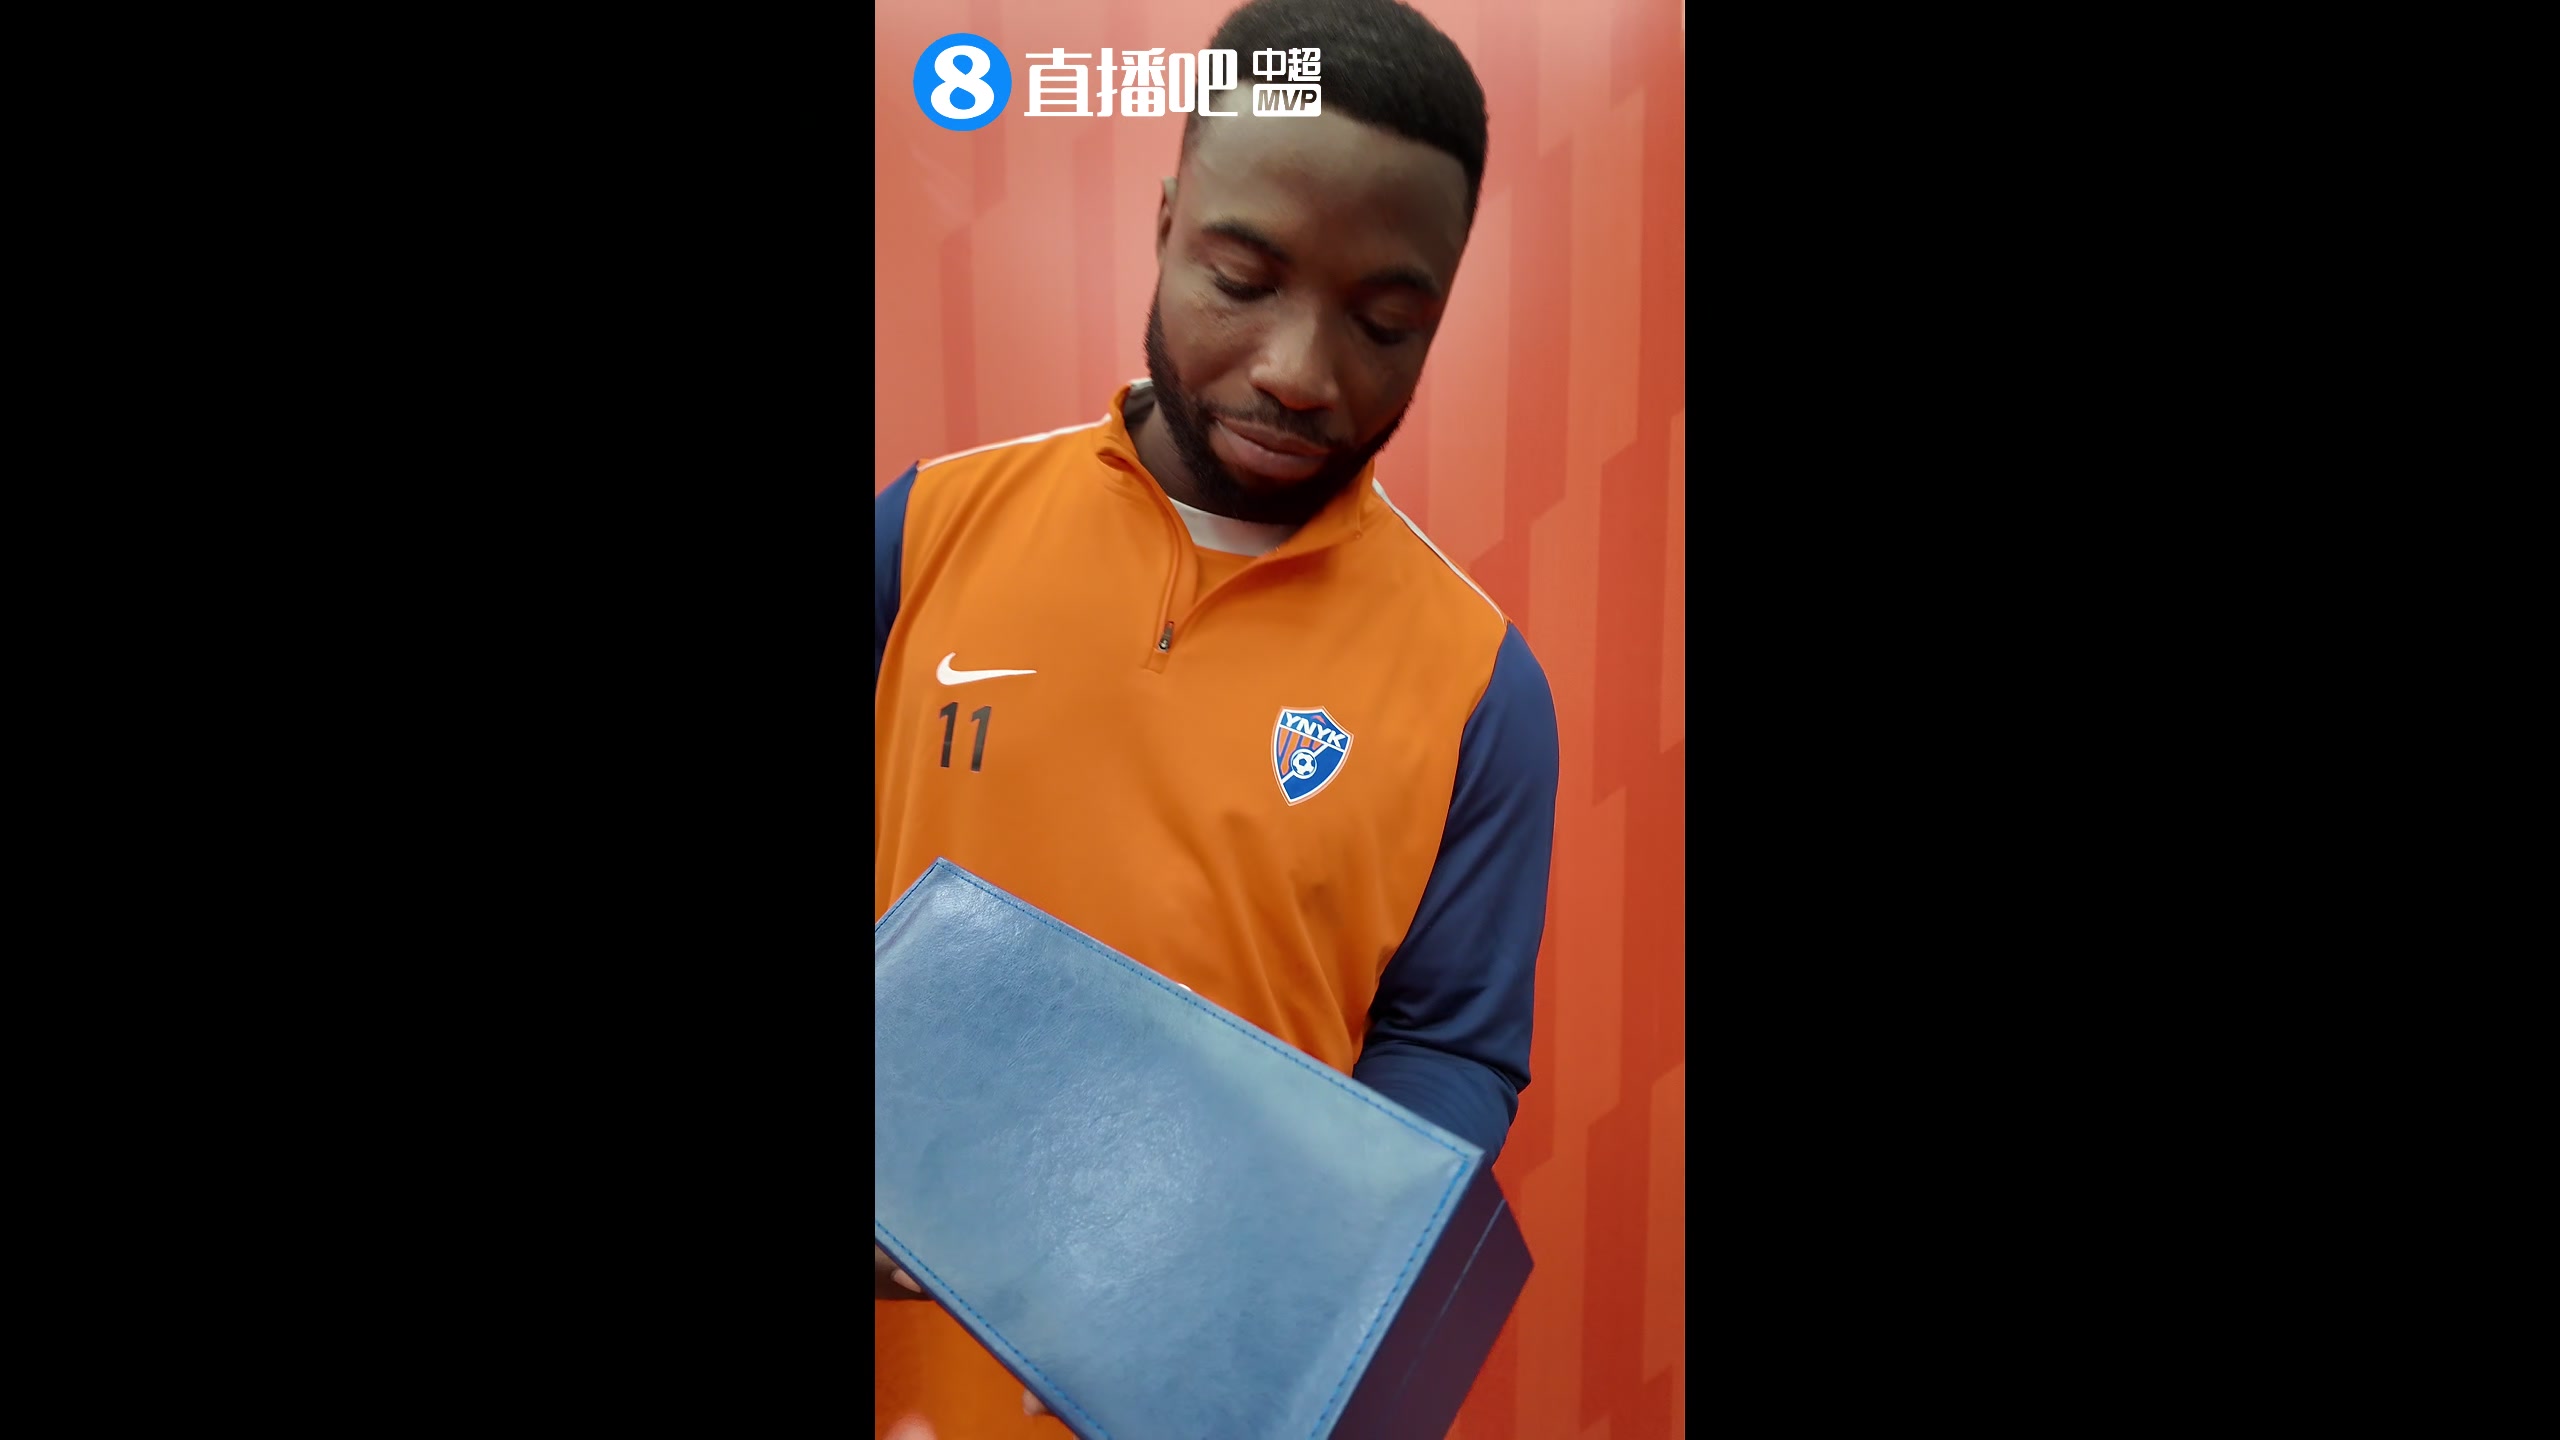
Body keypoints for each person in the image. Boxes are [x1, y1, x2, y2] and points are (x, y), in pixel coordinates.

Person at [873, 0, 1558, 1430]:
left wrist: (1291, 1284)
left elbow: (1450, 1048)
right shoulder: (925, 531)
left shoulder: (1483, 687)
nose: (1301, 372)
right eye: (1243, 279)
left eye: (1386, 324)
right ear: (1168, 221)